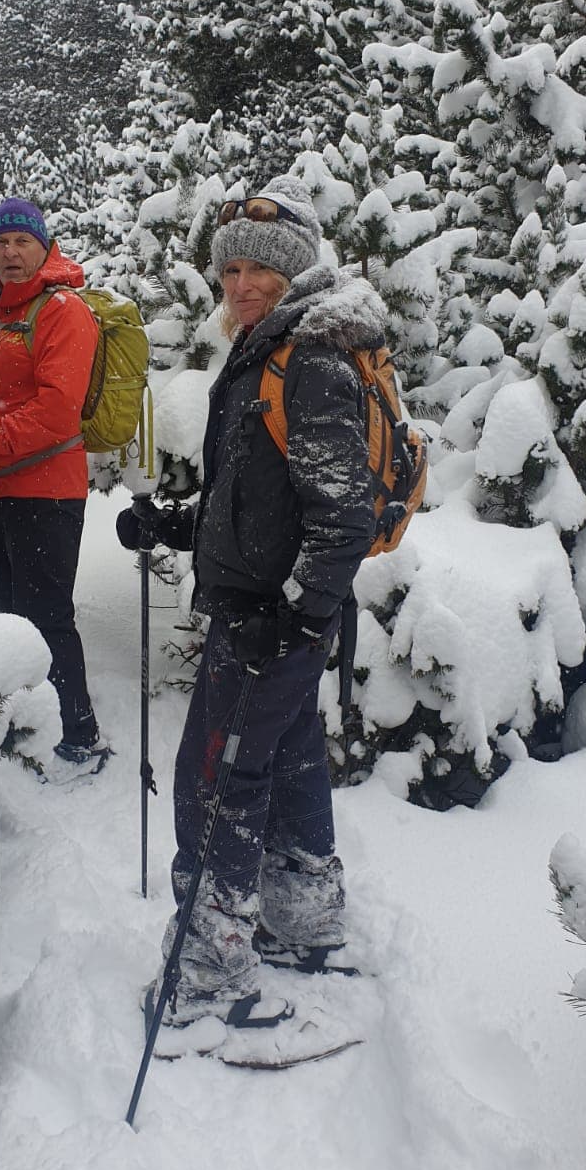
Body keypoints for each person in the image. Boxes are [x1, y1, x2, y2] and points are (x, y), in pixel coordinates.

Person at [117, 175, 383, 1033]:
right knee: (292, 758)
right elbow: (260, 502)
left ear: (293, 270)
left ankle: (207, 973)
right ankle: (303, 919)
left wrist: (297, 616)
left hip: (273, 622)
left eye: (258, 270)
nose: (239, 285)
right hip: (272, 615)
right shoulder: (268, 351)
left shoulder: (307, 361)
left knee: (216, 780)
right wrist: (178, 525)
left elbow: (345, 515)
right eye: (229, 269)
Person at [0, 196, 109, 785]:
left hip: (47, 491)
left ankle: (80, 734)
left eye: (22, 242)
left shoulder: (63, 312)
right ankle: (24, 723)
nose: (10, 252)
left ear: (44, 246)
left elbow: (58, 411)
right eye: (1, 242)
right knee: (8, 615)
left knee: (46, 616)